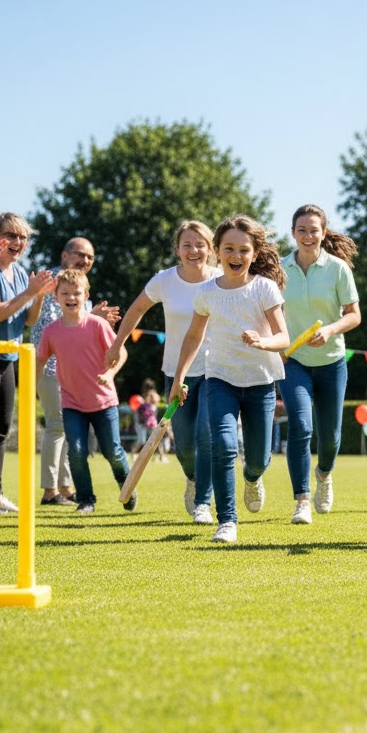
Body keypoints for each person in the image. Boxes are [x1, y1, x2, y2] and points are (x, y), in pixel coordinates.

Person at [169, 214, 289, 544]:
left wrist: (263, 342)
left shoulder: (264, 288)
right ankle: (227, 521)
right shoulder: (207, 292)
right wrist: (179, 377)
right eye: (229, 249)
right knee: (222, 445)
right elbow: (193, 337)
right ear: (217, 252)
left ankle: (253, 478)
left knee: (258, 458)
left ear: (254, 253)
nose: (236, 256)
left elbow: (283, 337)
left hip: (260, 381)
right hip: (219, 378)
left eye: (243, 250)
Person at [105, 221, 220, 525]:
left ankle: (203, 503)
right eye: (187, 245)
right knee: (184, 444)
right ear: (177, 249)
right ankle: (193, 479)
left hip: (217, 370)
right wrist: (118, 343)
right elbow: (137, 309)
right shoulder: (165, 280)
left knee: (207, 435)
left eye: (200, 244)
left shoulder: (222, 279)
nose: (194, 250)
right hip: (177, 372)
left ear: (211, 248)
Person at [278, 205, 360, 526]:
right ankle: (301, 500)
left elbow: (354, 315)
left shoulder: (338, 269)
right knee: (300, 427)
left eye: (314, 230)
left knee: (330, 437)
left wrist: (330, 329)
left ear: (323, 232)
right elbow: (269, 311)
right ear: (293, 233)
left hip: (331, 361)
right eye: (302, 230)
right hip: (293, 360)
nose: (308, 236)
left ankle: (324, 476)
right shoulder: (280, 269)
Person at [35, 268, 137, 515]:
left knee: (112, 451)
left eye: (76, 293)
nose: (71, 297)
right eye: (65, 293)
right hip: (71, 402)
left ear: (86, 295)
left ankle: (127, 485)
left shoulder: (97, 324)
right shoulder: (51, 331)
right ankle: (86, 499)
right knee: (77, 451)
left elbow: (121, 352)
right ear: (56, 297)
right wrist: (31, 387)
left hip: (104, 401)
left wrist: (110, 374)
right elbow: (39, 361)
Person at [0, 212, 55, 514]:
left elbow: (29, 321)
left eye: (22, 237)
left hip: (9, 358)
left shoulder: (21, 273)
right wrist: (29, 293)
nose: (18, 242)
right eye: (11, 235)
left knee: (0, 430)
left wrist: (37, 296)